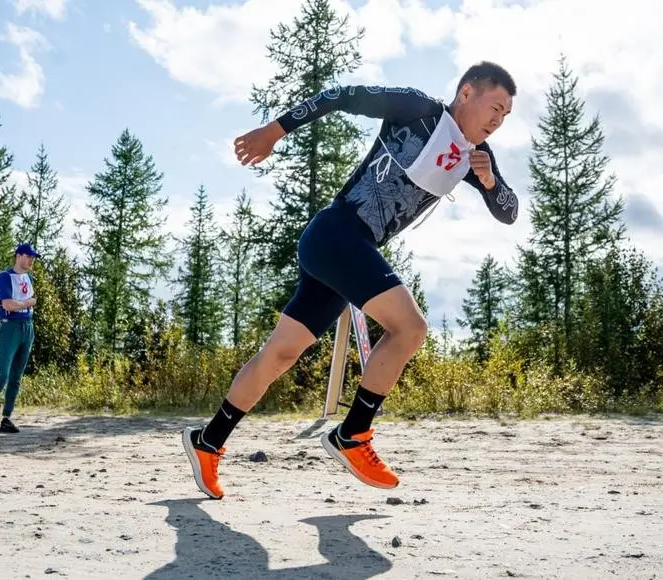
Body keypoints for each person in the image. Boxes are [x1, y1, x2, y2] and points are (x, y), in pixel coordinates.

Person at [182, 62, 520, 499]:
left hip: (342, 253)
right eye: (495, 107)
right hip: (338, 234)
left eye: (506, 115)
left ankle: (207, 441)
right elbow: (342, 95)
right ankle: (352, 434)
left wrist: (490, 182)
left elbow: (509, 211)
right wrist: (275, 130)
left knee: (280, 355)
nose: (497, 121)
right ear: (467, 93)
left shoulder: (477, 157)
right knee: (410, 328)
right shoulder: (418, 110)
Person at [0, 242, 39, 436]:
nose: (31, 260)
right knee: (2, 373)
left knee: (16, 375)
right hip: (9, 327)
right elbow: (8, 304)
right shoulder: (5, 277)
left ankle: (6, 418)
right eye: (28, 256)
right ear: (18, 256)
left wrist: (24, 305)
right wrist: (26, 303)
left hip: (27, 326)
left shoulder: (28, 277)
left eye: (32, 257)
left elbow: (23, 303)